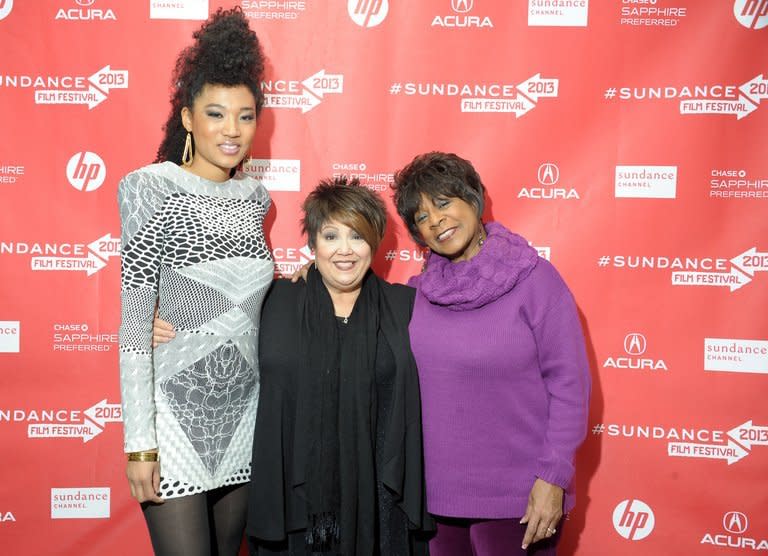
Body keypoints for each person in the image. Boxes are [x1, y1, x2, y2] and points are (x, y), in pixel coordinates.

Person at [154, 178, 433, 555]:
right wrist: (162, 323)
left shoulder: (407, 306)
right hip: (293, 502)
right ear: (312, 243)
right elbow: (213, 327)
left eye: (358, 236)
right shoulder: (274, 302)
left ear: (376, 242)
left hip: (379, 507)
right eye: (331, 236)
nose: (345, 251)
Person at [117, 8, 272, 555]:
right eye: (215, 113)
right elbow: (135, 325)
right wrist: (140, 447)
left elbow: (250, 299)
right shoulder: (147, 188)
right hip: (174, 419)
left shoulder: (257, 199)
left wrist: (302, 278)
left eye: (245, 116)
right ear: (187, 118)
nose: (232, 130)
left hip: (246, 413)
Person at [391, 152, 591, 556]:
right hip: (435, 502)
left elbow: (570, 386)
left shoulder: (535, 280)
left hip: (518, 500)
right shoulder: (416, 294)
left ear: (474, 198)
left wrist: (553, 479)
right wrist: (311, 280)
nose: (436, 221)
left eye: (444, 203)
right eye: (422, 217)